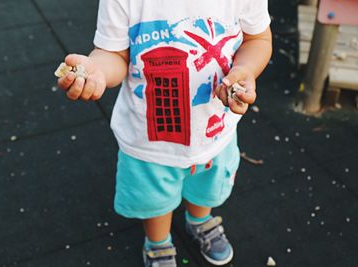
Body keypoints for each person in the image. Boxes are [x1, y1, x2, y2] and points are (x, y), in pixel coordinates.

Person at [57, 0, 272, 266]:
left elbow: (258, 38)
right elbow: (114, 54)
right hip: (148, 140)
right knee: (154, 200)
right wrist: (97, 69)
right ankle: (158, 242)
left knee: (206, 188)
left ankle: (199, 220)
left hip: (215, 130)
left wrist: (246, 70)